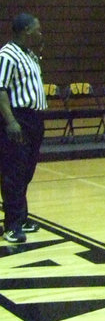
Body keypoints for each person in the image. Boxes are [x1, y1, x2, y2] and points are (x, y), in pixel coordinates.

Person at [0, 14, 47, 244]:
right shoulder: (7, 55)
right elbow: (0, 89)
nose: (41, 33)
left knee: (26, 172)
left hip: (35, 120)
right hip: (19, 119)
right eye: (37, 30)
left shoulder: (30, 54)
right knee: (14, 174)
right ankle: (11, 225)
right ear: (26, 30)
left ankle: (22, 216)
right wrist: (10, 122)